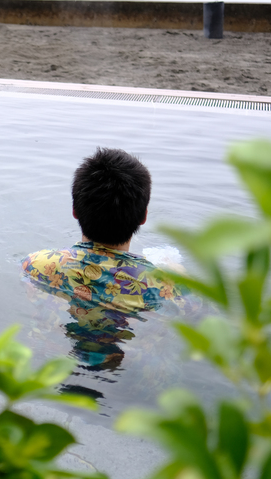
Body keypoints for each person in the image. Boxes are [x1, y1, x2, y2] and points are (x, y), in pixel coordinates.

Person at [21, 147, 186, 370]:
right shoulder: (166, 285)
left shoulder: (36, 265)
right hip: (133, 377)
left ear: (74, 210)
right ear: (144, 216)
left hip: (48, 364)